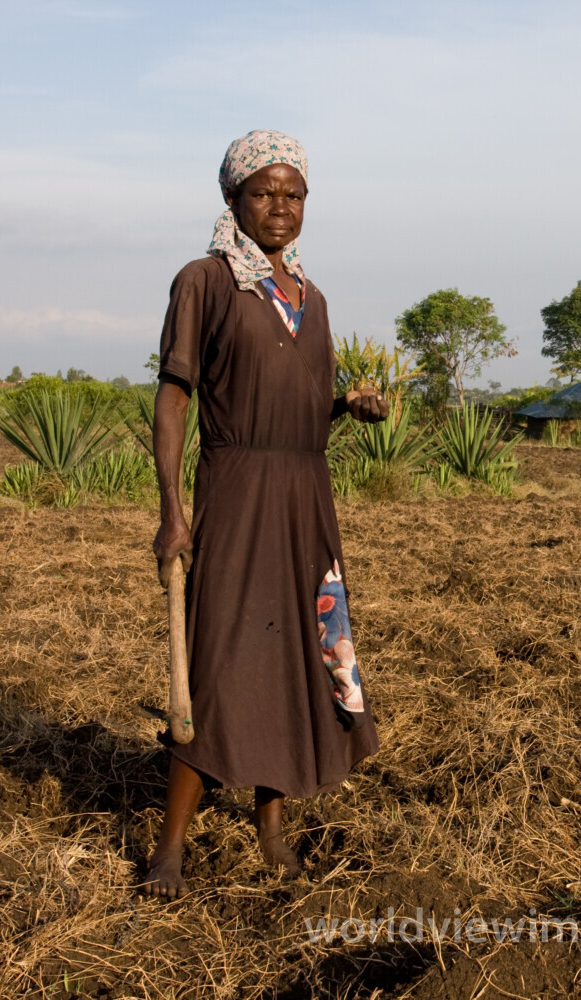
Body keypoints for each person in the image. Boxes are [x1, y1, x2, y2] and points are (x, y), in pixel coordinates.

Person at [143, 130, 388, 900]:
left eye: (293, 194)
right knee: (219, 667)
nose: (279, 206)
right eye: (263, 192)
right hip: (239, 494)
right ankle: (170, 849)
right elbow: (175, 397)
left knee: (295, 663)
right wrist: (173, 511)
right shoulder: (206, 282)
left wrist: (345, 406)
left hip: (305, 501)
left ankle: (271, 831)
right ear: (233, 198)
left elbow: (299, 406)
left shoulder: (312, 300)